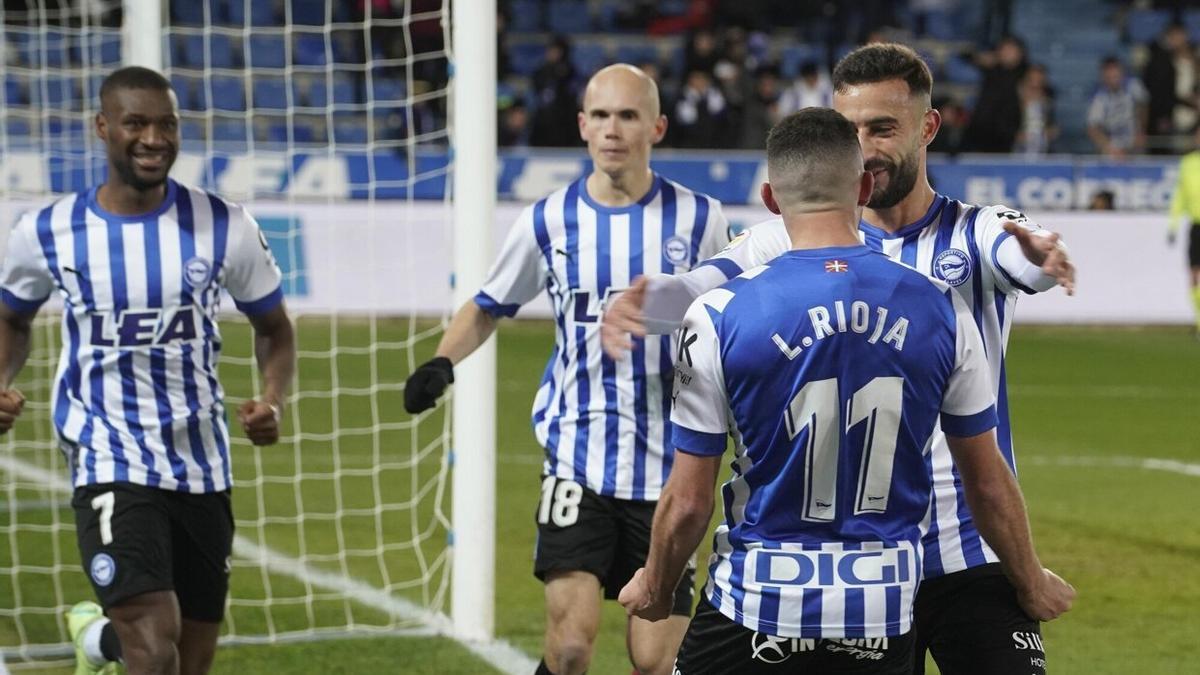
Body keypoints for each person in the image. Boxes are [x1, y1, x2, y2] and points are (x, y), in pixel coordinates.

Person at [602, 43, 1077, 675]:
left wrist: (1042, 260)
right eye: (849, 130)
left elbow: (1019, 254)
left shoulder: (975, 228)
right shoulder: (785, 234)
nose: (864, 147)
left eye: (882, 128)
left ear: (927, 127)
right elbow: (702, 285)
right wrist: (647, 300)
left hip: (970, 549)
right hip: (864, 561)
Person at [402, 64, 730, 675]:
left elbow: (732, 313)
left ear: (656, 126)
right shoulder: (547, 221)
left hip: (670, 472)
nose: (613, 129)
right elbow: (489, 302)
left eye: (628, 115)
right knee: (572, 647)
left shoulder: (701, 221)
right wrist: (441, 362)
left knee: (657, 662)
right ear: (582, 126)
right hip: (577, 461)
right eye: (601, 115)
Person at [0, 66, 296, 675]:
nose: (153, 139)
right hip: (106, 453)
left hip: (201, 462)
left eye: (167, 125)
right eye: (136, 123)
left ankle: (97, 644)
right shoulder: (47, 232)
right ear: (103, 127)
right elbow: (12, 318)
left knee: (189, 657)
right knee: (153, 641)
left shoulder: (225, 226)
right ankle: (118, 642)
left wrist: (272, 399)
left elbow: (275, 329)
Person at [1167, 126, 1200, 336]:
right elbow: (1180, 196)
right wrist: (1173, 224)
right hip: (1197, 226)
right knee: (1194, 275)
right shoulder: (1187, 163)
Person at [1087, 56, 1148, 159]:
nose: (1114, 79)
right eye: (1109, 76)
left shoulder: (1133, 86)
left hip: (1134, 146)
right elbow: (1092, 128)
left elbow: (1143, 105)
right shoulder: (1099, 97)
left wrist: (1141, 130)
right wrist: (1109, 147)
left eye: (1116, 75)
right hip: (1113, 150)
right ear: (1103, 76)